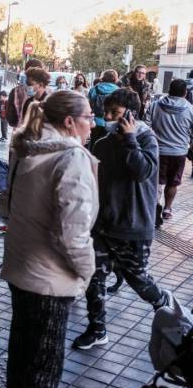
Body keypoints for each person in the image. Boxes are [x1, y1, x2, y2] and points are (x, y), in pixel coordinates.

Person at [0, 90, 98, 388]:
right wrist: (87, 270)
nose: (93, 124)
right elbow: (73, 231)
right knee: (43, 373)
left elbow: (6, 205)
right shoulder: (72, 158)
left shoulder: (25, 149)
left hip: (20, 270)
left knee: (21, 364)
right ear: (70, 122)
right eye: (89, 117)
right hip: (50, 281)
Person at [74, 88, 169, 350]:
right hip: (104, 226)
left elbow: (142, 172)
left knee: (139, 280)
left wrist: (129, 140)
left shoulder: (147, 139)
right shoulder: (103, 143)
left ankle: (168, 309)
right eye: (106, 112)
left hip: (134, 227)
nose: (108, 117)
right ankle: (97, 328)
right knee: (94, 278)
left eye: (114, 113)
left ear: (131, 114)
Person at [146, 79, 193, 220]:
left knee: (157, 182)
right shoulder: (190, 110)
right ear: (185, 93)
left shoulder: (154, 106)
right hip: (179, 152)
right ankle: (167, 209)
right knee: (173, 182)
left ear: (169, 90)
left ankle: (154, 207)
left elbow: (146, 127)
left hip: (158, 150)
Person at [6, 58, 43, 129]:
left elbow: (10, 118)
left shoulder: (16, 91)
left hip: (20, 133)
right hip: (40, 135)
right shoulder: (47, 92)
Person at [87, 69, 119, 149]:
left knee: (94, 145)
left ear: (103, 77)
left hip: (96, 122)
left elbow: (89, 106)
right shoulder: (118, 90)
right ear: (115, 78)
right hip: (112, 123)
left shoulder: (94, 89)